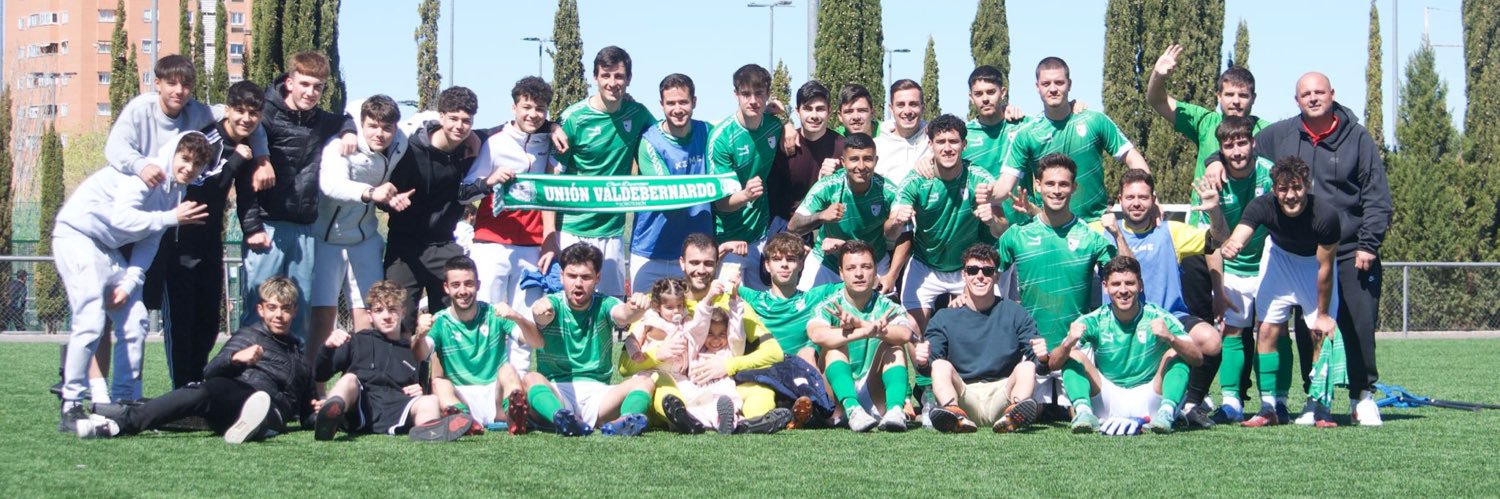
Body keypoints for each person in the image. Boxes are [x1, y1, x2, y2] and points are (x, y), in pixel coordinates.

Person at [1217, 73, 1392, 426]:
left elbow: (1376, 195)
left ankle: (1362, 395)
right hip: (1288, 251)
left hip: (1344, 247)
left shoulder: (1357, 138)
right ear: (1296, 100)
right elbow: (1238, 147)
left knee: (1352, 323)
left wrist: (1369, 243)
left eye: (1319, 92)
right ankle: (1295, 402)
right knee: (1287, 328)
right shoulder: (1280, 134)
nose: (1313, 98)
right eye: (1305, 93)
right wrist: (1213, 162)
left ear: (1332, 94)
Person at [55, 131, 215, 430]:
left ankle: (124, 401)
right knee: (90, 318)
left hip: (109, 248)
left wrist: (129, 282)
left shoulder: (176, 191)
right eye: (185, 158)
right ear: (172, 154)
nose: (189, 168)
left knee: (136, 317)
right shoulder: (147, 175)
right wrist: (171, 218)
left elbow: (149, 241)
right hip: (77, 234)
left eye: (197, 164)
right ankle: (72, 403)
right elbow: (121, 219)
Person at [1146, 48, 1271, 412]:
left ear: (1252, 99)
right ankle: (1193, 397)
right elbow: (1157, 100)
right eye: (1229, 94)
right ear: (1218, 97)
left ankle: (1254, 398)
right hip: (1203, 241)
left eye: (1243, 95)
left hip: (1254, 244)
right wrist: (1160, 73)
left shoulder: (1264, 131)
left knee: (1261, 328)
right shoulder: (1203, 121)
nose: (1236, 100)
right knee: (1202, 322)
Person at [76, 277, 315, 444]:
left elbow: (308, 415)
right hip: (235, 397)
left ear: (294, 311)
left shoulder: (302, 360)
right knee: (204, 390)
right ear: (261, 310)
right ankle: (120, 424)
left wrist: (326, 411)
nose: (279, 315)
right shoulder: (249, 336)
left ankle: (258, 425)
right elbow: (211, 371)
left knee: (262, 405)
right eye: (272, 308)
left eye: (285, 309)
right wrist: (235, 358)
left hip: (273, 411)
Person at [144, 81, 267, 389]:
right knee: (182, 320)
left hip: (210, 241)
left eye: (253, 113)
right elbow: (200, 188)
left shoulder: (248, 145)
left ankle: (197, 383)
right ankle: (182, 388)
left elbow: (245, 194)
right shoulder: (207, 138)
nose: (246, 119)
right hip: (180, 243)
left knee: (209, 321)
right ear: (227, 110)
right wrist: (236, 160)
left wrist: (253, 228)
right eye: (240, 111)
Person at [620, 233, 793, 434]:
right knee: (660, 388)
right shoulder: (660, 301)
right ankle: (682, 420)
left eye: (708, 263)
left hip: (720, 387)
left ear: (718, 264)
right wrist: (656, 354)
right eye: (694, 263)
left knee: (761, 391)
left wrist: (727, 365)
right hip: (674, 383)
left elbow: (774, 352)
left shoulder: (733, 302)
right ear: (682, 263)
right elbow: (624, 365)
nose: (701, 270)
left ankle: (751, 424)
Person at [239, 51, 353, 347]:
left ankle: (293, 387)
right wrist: (252, 227)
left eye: (318, 87)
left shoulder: (321, 120)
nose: (311, 92)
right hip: (267, 228)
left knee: (297, 313)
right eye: (304, 84)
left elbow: (345, 120)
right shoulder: (264, 115)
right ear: (289, 82)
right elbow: (245, 177)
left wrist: (349, 131)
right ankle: (248, 386)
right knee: (259, 310)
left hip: (305, 228)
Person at [1099, 169, 1230, 428]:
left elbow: (1219, 240)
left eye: (1143, 197)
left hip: (1169, 317)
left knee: (1212, 341)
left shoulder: (1172, 232)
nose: (1136, 203)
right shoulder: (1102, 231)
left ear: (1154, 199)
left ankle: (1192, 404)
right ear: (1120, 200)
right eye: (1130, 197)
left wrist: (1214, 211)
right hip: (1119, 322)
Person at [1220, 157, 1343, 428]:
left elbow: (1325, 269)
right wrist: (1232, 245)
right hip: (1279, 259)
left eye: (1297, 188)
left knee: (1320, 333)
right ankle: (1269, 407)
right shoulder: (1262, 205)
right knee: (1265, 331)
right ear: (1274, 189)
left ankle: (1320, 405)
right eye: (1283, 189)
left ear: (1308, 186)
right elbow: (1241, 232)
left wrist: (1322, 314)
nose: (1290, 195)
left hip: (1314, 266)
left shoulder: (1326, 216)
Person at [995, 154, 1120, 412]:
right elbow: (986, 279)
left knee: (1084, 410)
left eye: (1063, 184)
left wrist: (1118, 235)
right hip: (1029, 349)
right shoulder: (1016, 237)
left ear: (1074, 188)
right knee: (1026, 409)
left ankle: (1078, 404)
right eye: (1050, 184)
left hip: (1076, 349)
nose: (1056, 190)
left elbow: (1125, 277)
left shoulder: (1091, 238)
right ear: (1037, 185)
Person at [462, 76, 561, 377]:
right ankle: (484, 383)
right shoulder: (494, 143)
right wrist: (489, 182)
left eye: (540, 109)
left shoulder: (547, 141)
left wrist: (549, 237)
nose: (532, 114)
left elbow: (551, 194)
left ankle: (517, 391)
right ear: (514, 106)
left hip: (531, 247)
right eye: (526, 107)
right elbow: (466, 189)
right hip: (492, 243)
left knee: (523, 317)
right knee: (488, 316)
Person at [310, 94, 411, 364]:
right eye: (373, 126)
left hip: (365, 238)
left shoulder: (401, 141)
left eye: (387, 127)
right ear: (361, 124)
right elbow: (330, 184)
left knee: (370, 312)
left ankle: (364, 382)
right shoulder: (341, 144)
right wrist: (371, 192)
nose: (380, 133)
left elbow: (430, 120)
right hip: (327, 238)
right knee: (323, 316)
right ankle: (314, 387)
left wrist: (475, 138)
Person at [1052, 256, 1201, 434]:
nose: (1123, 290)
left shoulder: (1158, 316)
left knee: (1175, 353)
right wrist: (1068, 343)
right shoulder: (1094, 320)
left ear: (1140, 285)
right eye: (1116, 284)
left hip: (1151, 399)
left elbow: (1197, 359)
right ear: (1105, 287)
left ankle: (1167, 413)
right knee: (1073, 355)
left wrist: (1171, 339)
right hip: (1107, 400)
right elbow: (1053, 363)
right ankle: (1084, 414)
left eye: (1129, 283)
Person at [523, 243, 658, 436]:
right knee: (531, 378)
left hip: (598, 394)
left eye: (585, 277)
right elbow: (541, 314)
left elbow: (623, 314)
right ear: (561, 277)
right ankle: (561, 418)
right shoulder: (552, 303)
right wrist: (538, 310)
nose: (578, 283)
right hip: (557, 390)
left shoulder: (605, 303)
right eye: (572, 276)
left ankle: (625, 421)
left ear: (597, 278)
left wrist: (637, 308)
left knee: (645, 380)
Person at [886, 115, 1005, 333]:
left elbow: (1002, 229)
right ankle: (925, 367)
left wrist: (992, 220)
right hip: (925, 265)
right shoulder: (916, 180)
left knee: (984, 328)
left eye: (954, 141)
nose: (947, 148)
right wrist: (897, 221)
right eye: (941, 142)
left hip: (968, 266)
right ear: (930, 145)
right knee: (911, 329)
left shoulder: (979, 178)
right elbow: (890, 234)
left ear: (964, 145)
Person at [555, 46, 657, 297]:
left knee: (609, 312)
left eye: (619, 76)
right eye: (606, 76)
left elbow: (664, 138)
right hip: (572, 228)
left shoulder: (639, 114)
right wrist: (549, 235)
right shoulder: (574, 118)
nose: (613, 83)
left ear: (629, 79)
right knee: (568, 307)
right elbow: (552, 178)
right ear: (595, 78)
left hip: (612, 231)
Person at [312, 280, 471, 441]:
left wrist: (419, 391)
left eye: (392, 309)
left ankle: (429, 430)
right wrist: (328, 348)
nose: (386, 316)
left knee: (430, 401)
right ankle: (329, 418)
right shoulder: (355, 341)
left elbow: (421, 389)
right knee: (349, 379)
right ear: (370, 315)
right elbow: (321, 374)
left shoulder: (414, 350)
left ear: (403, 312)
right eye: (379, 310)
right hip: (360, 407)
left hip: (397, 408)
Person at [997, 57, 1149, 222]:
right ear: (1037, 87)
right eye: (1046, 84)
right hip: (1051, 229)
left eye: (1059, 83)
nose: (1053, 89)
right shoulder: (1027, 134)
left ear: (1069, 84)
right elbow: (1005, 186)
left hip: (1095, 225)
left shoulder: (1094, 120)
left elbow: (1133, 158)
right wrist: (983, 194)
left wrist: (1151, 197)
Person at [386, 86, 486, 334]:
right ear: (440, 117)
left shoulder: (470, 149)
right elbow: (384, 193)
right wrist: (389, 201)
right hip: (403, 247)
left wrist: (553, 127)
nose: (459, 126)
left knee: (452, 325)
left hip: (443, 246)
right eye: (453, 118)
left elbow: (510, 127)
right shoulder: (408, 150)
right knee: (400, 323)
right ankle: (409, 374)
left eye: (466, 121)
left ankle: (444, 374)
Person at [412, 255, 543, 434]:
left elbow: (537, 342)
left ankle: (515, 418)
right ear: (446, 288)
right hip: (461, 394)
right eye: (456, 285)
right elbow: (420, 355)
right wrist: (420, 335)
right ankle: (464, 419)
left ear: (478, 285)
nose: (463, 291)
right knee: (438, 384)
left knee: (508, 370)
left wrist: (517, 316)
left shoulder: (494, 314)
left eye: (469, 284)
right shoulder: (440, 321)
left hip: (494, 394)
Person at [926, 244, 1044, 434]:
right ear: (964, 275)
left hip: (1002, 394)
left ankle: (1014, 415)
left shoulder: (1015, 313)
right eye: (972, 270)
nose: (980, 276)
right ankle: (953, 414)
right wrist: (923, 360)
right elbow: (930, 363)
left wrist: (1043, 357)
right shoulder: (944, 317)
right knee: (940, 365)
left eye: (987, 271)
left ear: (996, 276)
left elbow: (1037, 361)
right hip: (965, 395)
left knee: (1027, 367)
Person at [1204, 117, 1276, 423]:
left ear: (1253, 143)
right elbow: (1210, 243)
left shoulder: (1271, 174)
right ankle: (1231, 401)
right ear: (1221, 150)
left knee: (1271, 332)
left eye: (1242, 143)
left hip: (1270, 265)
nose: (1236, 151)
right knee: (1232, 331)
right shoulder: (1211, 183)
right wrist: (1218, 291)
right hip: (1231, 268)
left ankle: (1273, 402)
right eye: (1229, 145)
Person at [808, 241, 918, 433]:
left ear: (875, 271)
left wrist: (860, 324)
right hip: (837, 400)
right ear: (841, 273)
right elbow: (817, 334)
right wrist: (862, 331)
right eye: (851, 268)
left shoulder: (886, 305)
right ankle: (853, 409)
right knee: (835, 346)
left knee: (894, 347)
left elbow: (905, 334)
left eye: (866, 267)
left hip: (874, 391)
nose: (859, 274)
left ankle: (895, 410)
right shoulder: (831, 305)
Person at [629, 73, 714, 292]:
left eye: (683, 102)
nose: (677, 109)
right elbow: (667, 194)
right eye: (671, 103)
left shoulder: (708, 133)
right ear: (661, 105)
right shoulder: (649, 141)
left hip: (695, 256)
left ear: (694, 102)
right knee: (642, 322)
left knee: (696, 323)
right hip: (650, 250)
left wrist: (778, 123)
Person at [628, 278, 747, 434]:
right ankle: (631, 417)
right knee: (659, 395)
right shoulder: (649, 321)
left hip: (679, 377)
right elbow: (631, 338)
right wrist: (636, 352)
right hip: (652, 373)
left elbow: (700, 326)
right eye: (669, 307)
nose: (676, 311)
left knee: (701, 400)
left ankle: (720, 421)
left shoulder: (686, 323)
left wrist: (709, 299)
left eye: (679, 306)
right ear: (657, 306)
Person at [787, 132, 898, 291]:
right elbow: (793, 226)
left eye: (867, 159)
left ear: (876, 161)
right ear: (843, 162)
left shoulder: (888, 190)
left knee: (886, 314)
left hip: (871, 263)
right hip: (828, 262)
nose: (861, 166)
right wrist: (821, 216)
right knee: (808, 314)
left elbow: (905, 236)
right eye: (854, 159)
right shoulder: (828, 186)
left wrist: (892, 276)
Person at [710, 64, 784, 290]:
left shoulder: (774, 126)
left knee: (760, 314)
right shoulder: (722, 138)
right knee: (726, 314)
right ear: (736, 95)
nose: (753, 100)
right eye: (746, 94)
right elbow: (720, 204)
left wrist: (788, 125)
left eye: (759, 94)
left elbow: (786, 127)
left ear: (767, 95)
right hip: (729, 241)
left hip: (761, 238)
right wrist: (745, 196)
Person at [768, 80, 845, 236]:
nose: (814, 116)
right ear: (798, 111)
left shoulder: (842, 147)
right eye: (808, 109)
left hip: (827, 229)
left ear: (829, 111)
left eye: (820, 109)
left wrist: (827, 182)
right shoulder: (784, 143)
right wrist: (783, 122)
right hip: (785, 229)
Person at [872, 79, 929, 182]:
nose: (907, 111)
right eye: (901, 105)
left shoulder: (935, 144)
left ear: (922, 107)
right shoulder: (875, 147)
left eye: (913, 104)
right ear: (891, 108)